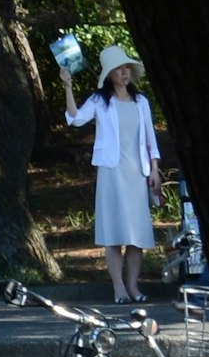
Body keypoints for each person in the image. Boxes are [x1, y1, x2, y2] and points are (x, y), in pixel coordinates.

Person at [60, 44, 161, 304]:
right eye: (118, 69)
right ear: (109, 75)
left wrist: (155, 171)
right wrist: (68, 87)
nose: (124, 72)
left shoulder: (141, 102)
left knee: (136, 235)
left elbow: (150, 139)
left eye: (126, 67)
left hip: (137, 173)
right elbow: (75, 118)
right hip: (112, 172)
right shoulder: (100, 101)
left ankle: (134, 287)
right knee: (115, 233)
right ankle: (119, 287)